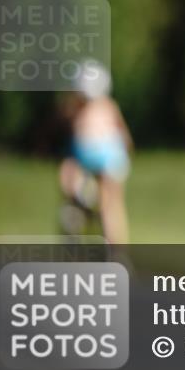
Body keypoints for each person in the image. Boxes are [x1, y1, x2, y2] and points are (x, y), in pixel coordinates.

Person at [58, 59, 133, 245]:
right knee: (111, 206)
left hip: (99, 156)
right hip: (108, 156)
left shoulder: (79, 109)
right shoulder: (107, 106)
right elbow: (125, 136)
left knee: (108, 203)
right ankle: (113, 246)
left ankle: (85, 208)